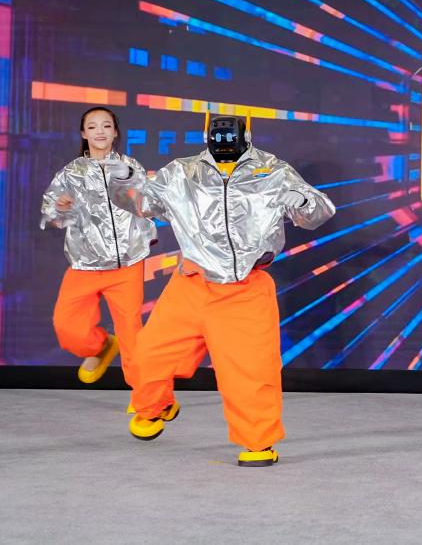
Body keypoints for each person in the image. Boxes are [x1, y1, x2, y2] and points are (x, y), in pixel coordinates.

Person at [107, 112, 335, 467]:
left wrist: (304, 201)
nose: (224, 142)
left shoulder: (273, 170)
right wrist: (124, 180)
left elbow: (319, 212)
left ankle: (258, 442)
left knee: (250, 372)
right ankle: (155, 407)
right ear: (207, 136)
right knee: (148, 355)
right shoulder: (181, 172)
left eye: (232, 136)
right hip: (191, 283)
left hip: (244, 287)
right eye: (218, 136)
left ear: (246, 135)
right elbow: (142, 202)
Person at [40, 106, 155, 390]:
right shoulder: (70, 173)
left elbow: (148, 204)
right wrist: (60, 208)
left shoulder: (129, 167)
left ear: (115, 132)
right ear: (84, 134)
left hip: (127, 264)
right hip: (85, 264)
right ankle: (101, 345)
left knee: (132, 334)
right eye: (92, 127)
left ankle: (145, 400)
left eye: (106, 126)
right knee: (68, 328)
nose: (100, 132)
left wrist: (145, 232)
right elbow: (51, 217)